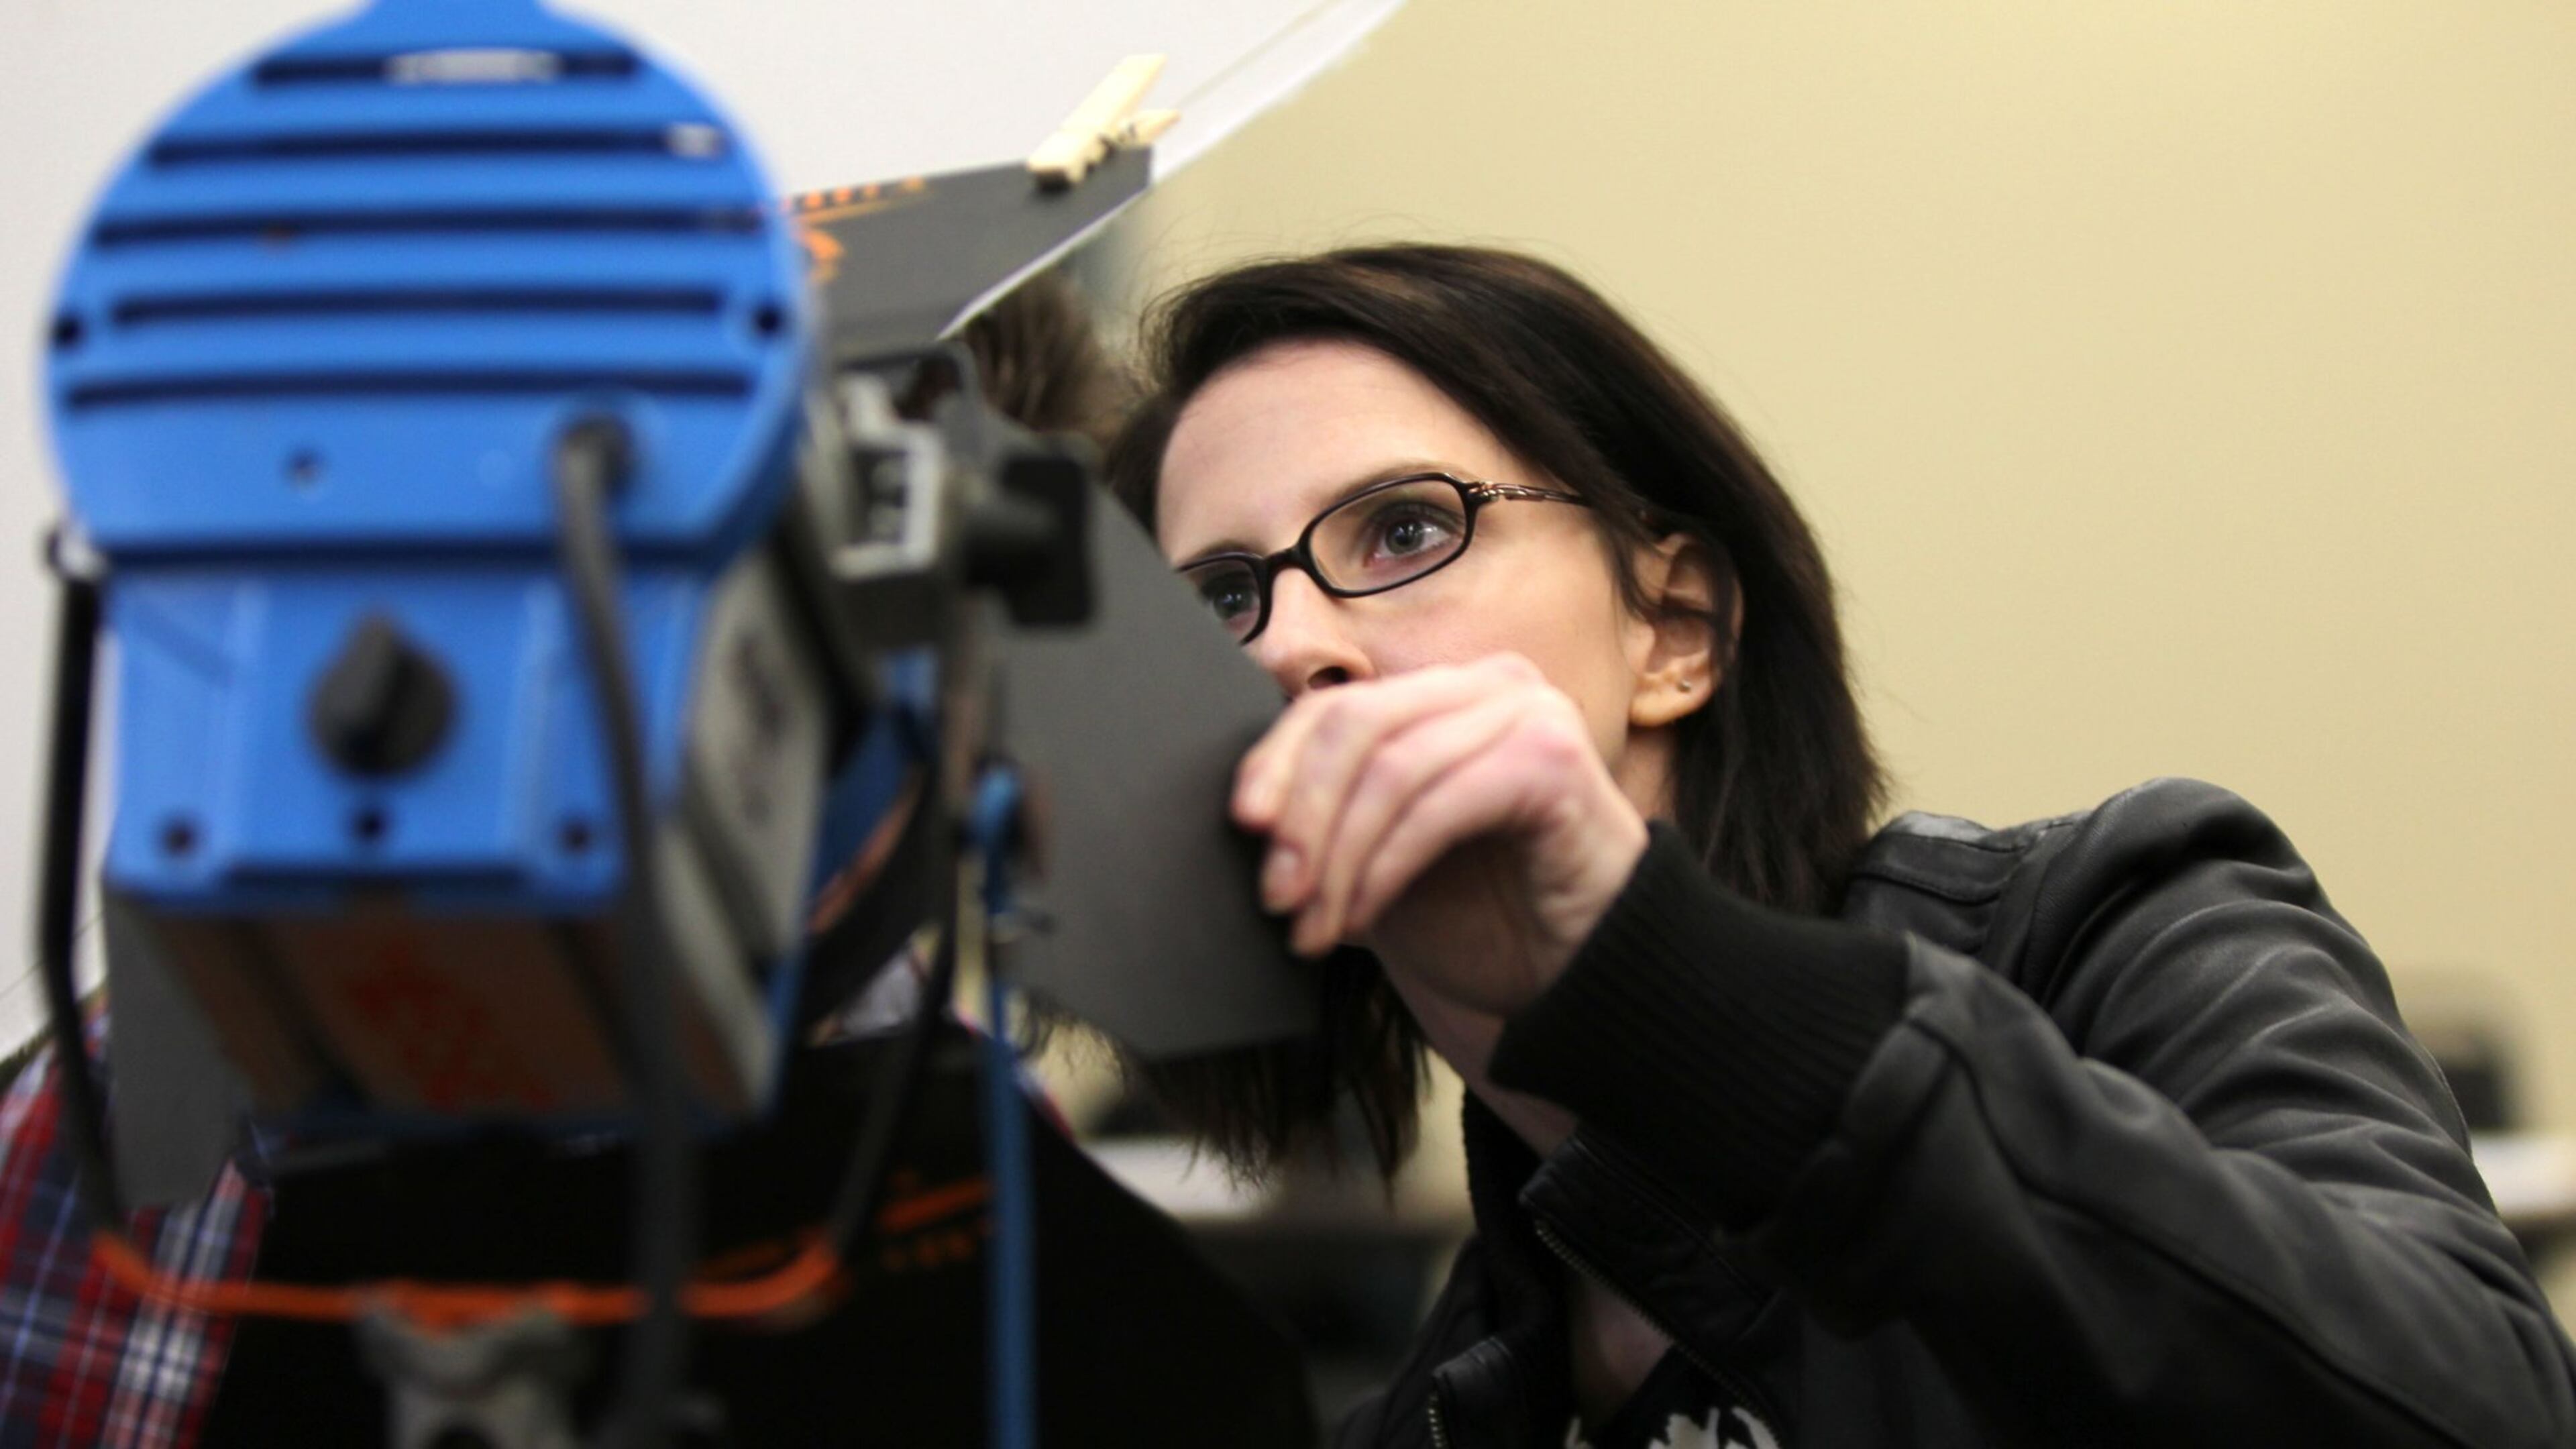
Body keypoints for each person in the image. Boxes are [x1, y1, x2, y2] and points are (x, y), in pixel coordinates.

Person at [1104, 243, 2576, 1448]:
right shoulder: (1441, 1406)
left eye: (1406, 531)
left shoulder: (2132, 929)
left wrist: (1654, 969)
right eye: (1212, 606)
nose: (1288, 644)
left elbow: (2478, 1417)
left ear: (1675, 628)